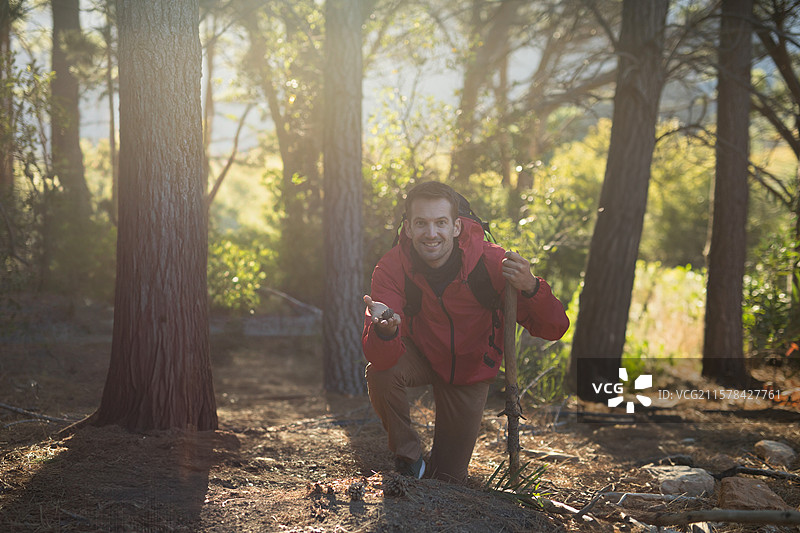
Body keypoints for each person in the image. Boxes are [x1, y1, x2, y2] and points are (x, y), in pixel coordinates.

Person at [362, 181, 569, 483]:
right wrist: (385, 332)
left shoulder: (493, 263)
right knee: (381, 373)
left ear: (457, 226)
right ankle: (409, 457)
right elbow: (379, 356)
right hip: (423, 355)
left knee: (447, 481)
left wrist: (532, 288)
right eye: (421, 223)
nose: (431, 234)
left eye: (440, 223)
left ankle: (438, 468)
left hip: (470, 373)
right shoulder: (391, 268)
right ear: (407, 228)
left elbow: (554, 329)